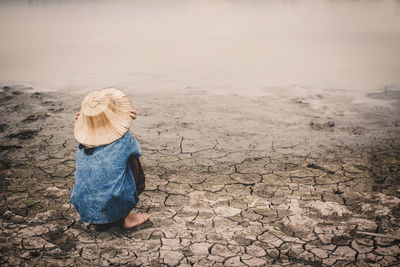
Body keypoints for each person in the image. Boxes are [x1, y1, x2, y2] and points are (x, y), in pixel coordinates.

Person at [70, 87, 149, 229]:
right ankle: (128, 217)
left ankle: (98, 213)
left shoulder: (83, 140)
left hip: (83, 208)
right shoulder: (125, 138)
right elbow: (136, 148)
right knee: (133, 160)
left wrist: (83, 122)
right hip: (114, 205)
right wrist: (126, 125)